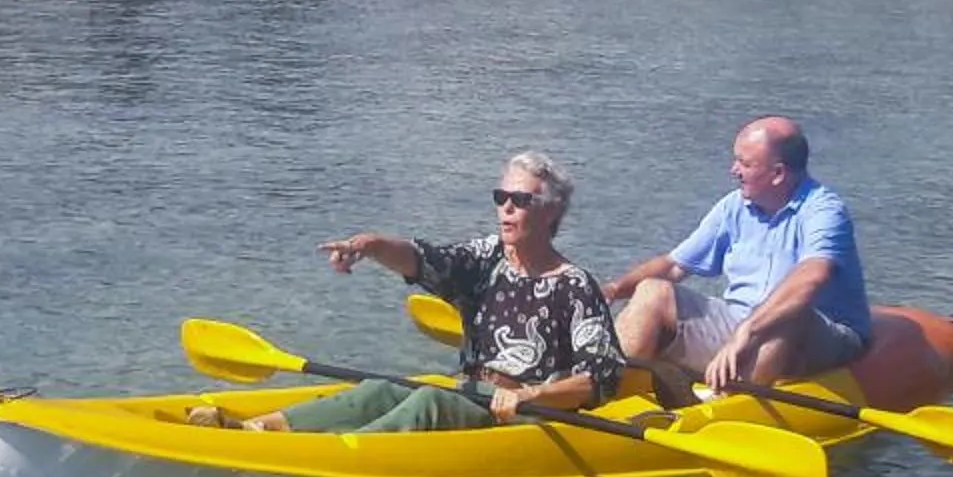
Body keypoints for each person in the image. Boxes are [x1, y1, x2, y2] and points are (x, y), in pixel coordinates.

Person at [218, 151, 626, 433]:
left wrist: (529, 394)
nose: (506, 208)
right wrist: (370, 246)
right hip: (473, 390)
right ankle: (261, 427)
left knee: (429, 401)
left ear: (551, 211)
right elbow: (422, 260)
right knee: (384, 389)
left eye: (520, 200)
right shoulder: (487, 258)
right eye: (501, 197)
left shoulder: (575, 286)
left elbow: (600, 379)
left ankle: (340, 452)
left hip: (528, 412)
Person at [607, 115, 871, 393]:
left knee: (789, 313)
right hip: (743, 323)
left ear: (778, 173)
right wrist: (613, 289)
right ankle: (609, 390)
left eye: (745, 164)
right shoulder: (733, 207)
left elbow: (811, 277)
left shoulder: (824, 210)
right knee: (653, 291)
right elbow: (674, 266)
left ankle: (733, 401)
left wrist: (749, 331)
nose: (734, 170)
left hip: (821, 334)